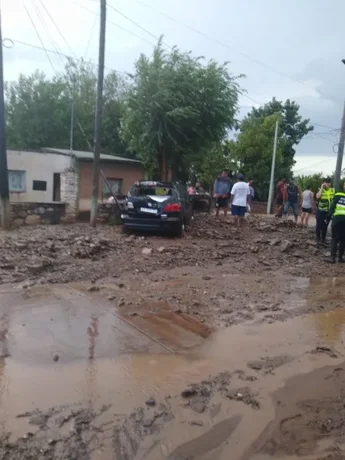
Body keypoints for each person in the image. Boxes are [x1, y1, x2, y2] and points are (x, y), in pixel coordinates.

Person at [326, 182, 345, 263]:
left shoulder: (338, 195)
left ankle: (332, 258)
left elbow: (332, 208)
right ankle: (340, 258)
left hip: (337, 219)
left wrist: (328, 218)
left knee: (334, 238)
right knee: (343, 239)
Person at [315, 177, 335, 246]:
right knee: (319, 225)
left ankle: (323, 239)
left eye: (328, 183)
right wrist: (321, 188)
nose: (327, 184)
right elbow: (317, 197)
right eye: (326, 182)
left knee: (325, 226)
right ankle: (318, 239)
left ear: (330, 183)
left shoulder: (333, 190)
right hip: (321, 211)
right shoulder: (320, 190)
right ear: (323, 183)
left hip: (328, 212)